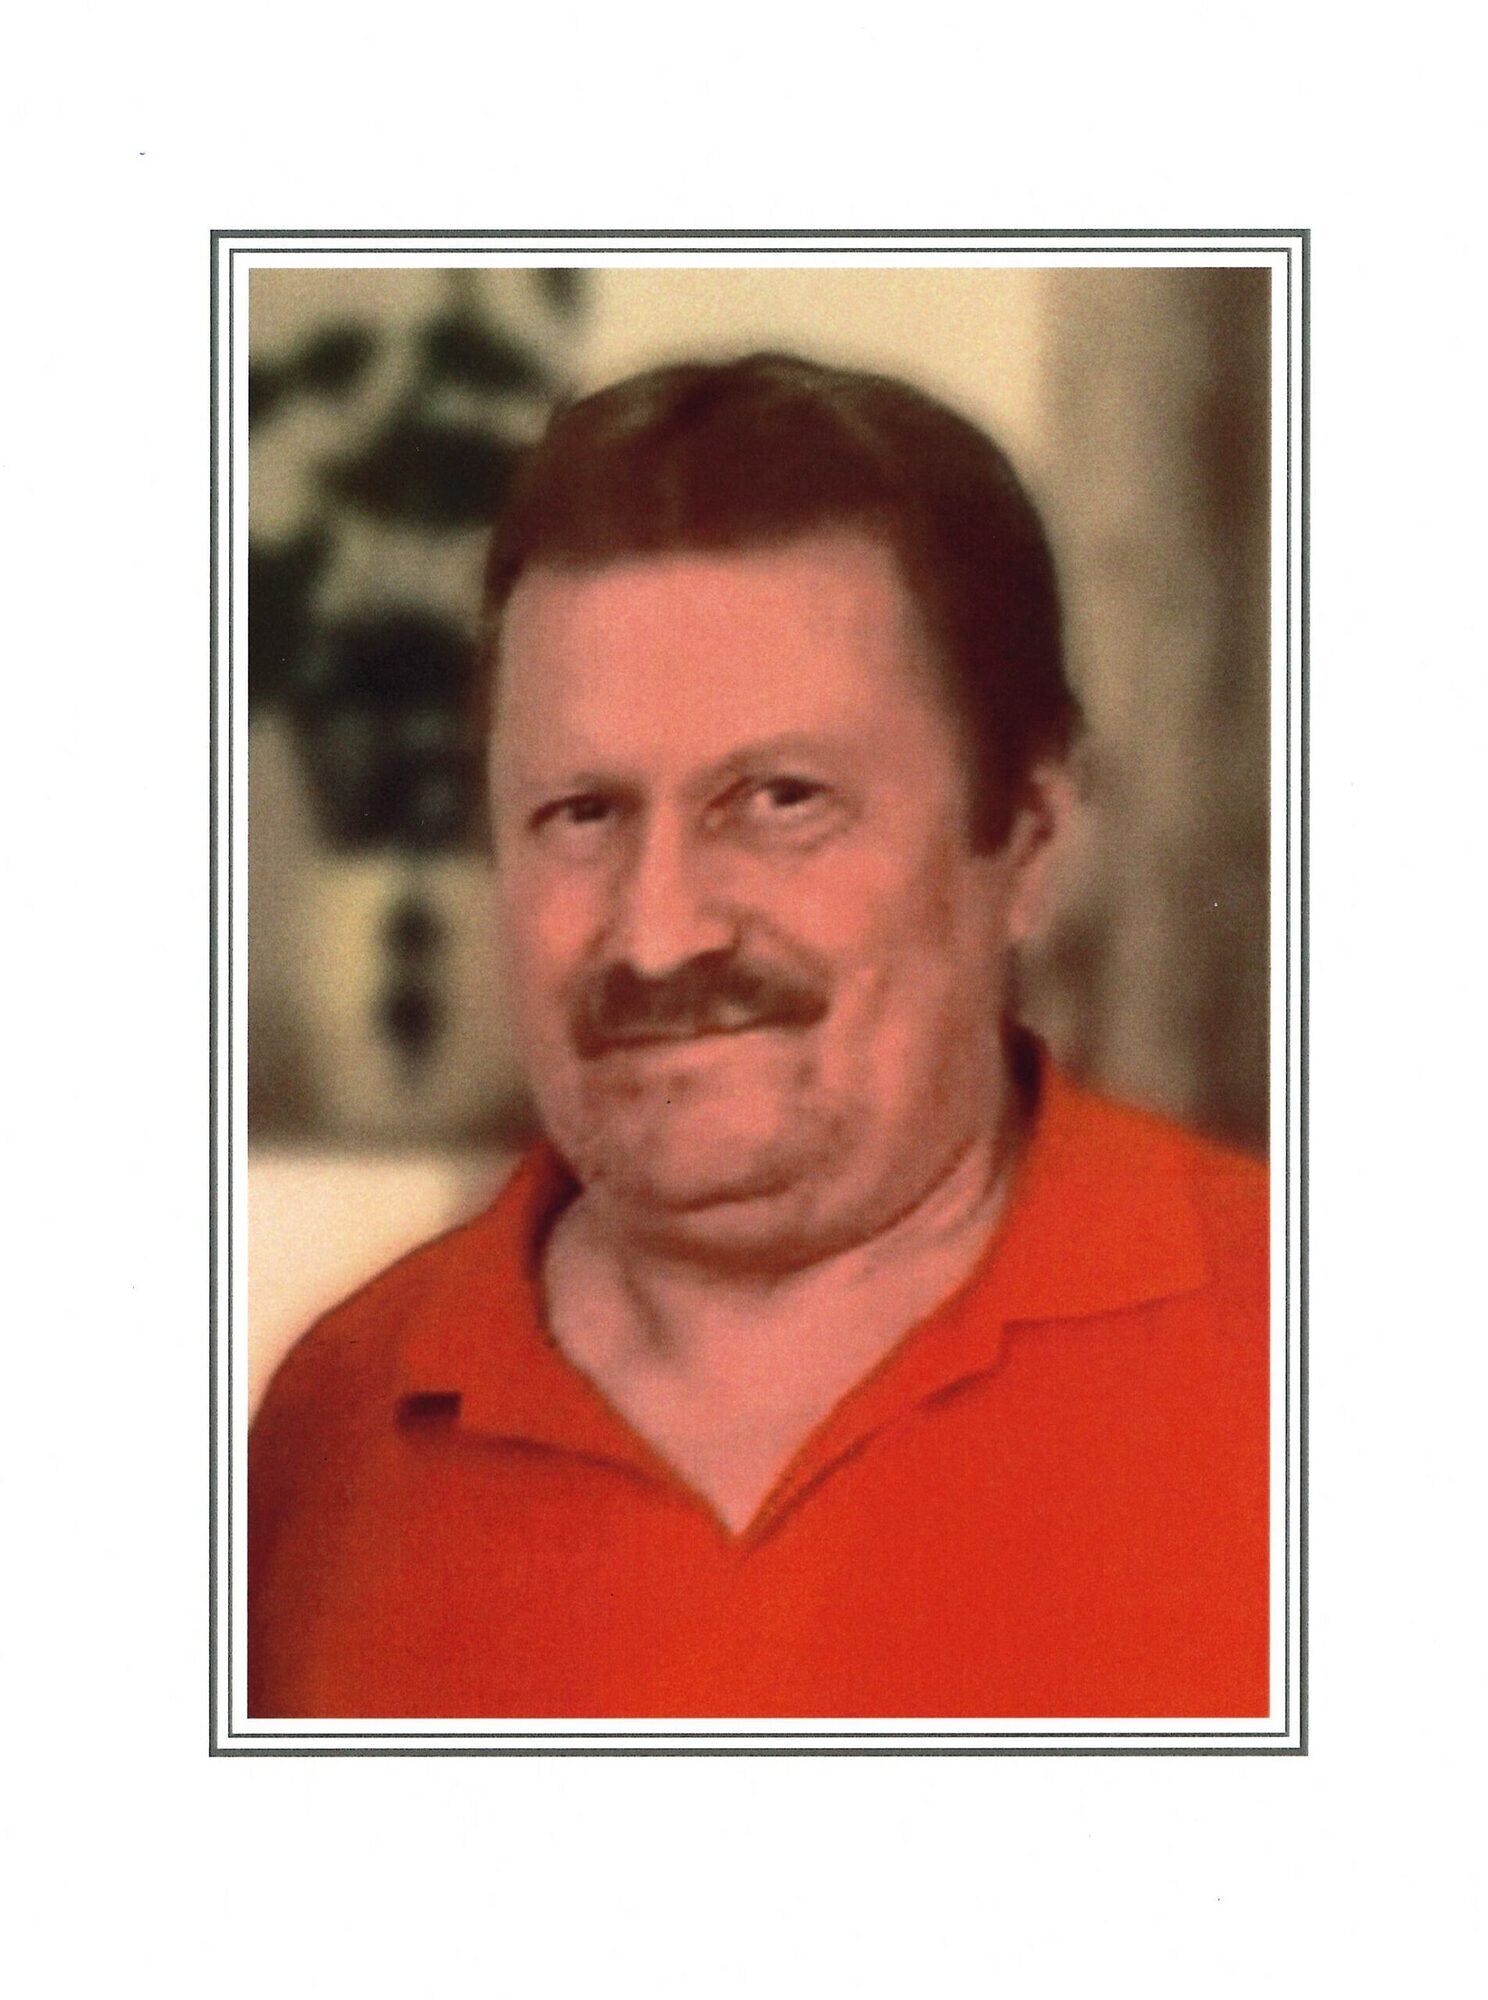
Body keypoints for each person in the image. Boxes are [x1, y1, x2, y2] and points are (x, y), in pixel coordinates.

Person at [249, 353, 1269, 1721]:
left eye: (782, 800)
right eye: (582, 814)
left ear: (1028, 839)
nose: (658, 936)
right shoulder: (331, 1427)